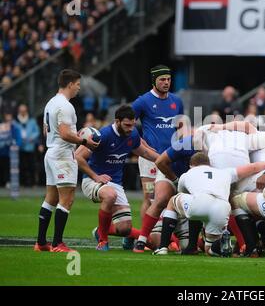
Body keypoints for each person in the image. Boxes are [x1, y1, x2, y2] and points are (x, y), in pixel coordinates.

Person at [75, 105, 159, 251]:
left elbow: (145, 152)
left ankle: (102, 231)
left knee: (125, 228)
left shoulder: (132, 134)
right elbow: (77, 157)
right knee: (110, 195)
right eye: (127, 125)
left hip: (115, 184)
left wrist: (166, 160)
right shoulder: (103, 135)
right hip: (93, 181)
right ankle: (103, 241)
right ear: (117, 121)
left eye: (132, 125)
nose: (130, 129)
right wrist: (95, 176)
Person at [153, 152, 265, 256]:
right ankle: (218, 244)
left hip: (199, 203)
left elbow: (183, 194)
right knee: (209, 250)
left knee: (173, 202)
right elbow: (253, 167)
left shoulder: (187, 173)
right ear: (209, 164)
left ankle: (162, 247)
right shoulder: (225, 172)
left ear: (191, 165)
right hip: (222, 208)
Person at [34, 69, 99, 253]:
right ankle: (57, 244)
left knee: (51, 198)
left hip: (51, 152)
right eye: (78, 84)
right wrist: (84, 140)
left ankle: (40, 242)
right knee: (67, 199)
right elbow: (64, 133)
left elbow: (49, 131)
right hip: (62, 155)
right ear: (70, 84)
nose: (79, 88)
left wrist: (75, 136)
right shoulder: (65, 106)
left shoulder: (51, 103)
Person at [131, 65, 184, 228]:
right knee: (149, 196)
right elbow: (124, 123)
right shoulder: (142, 101)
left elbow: (181, 125)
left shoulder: (176, 101)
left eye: (168, 79)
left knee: (168, 196)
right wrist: (139, 142)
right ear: (154, 81)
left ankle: (164, 234)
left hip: (170, 158)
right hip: (149, 159)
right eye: (162, 79)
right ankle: (144, 235)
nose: (166, 82)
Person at [15, 104, 40, 187]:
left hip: (30, 146)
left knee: (31, 165)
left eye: (24, 110)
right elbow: (14, 133)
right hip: (20, 147)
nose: (22, 112)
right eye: (21, 110)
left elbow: (37, 132)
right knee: (21, 165)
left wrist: (31, 137)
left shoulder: (32, 121)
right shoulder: (15, 122)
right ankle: (22, 182)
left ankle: (32, 183)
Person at [0, 110, 22, 187]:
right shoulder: (2, 126)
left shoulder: (15, 127)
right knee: (2, 167)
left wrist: (17, 145)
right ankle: (3, 182)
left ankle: (9, 182)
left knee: (10, 168)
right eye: (7, 117)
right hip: (2, 151)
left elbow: (18, 138)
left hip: (11, 152)